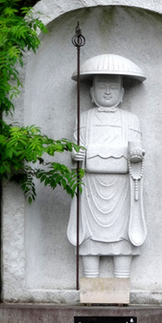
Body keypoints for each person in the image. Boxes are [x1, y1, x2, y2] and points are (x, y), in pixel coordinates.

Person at [67, 54, 146, 279]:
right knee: (89, 237)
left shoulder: (131, 120)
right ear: (91, 92)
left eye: (113, 87)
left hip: (121, 188)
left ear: (122, 93)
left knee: (123, 236)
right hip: (90, 186)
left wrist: (136, 157)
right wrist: (77, 155)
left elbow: (137, 152)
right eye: (102, 87)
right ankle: (90, 282)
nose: (108, 92)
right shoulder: (84, 118)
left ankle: (122, 282)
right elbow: (75, 152)